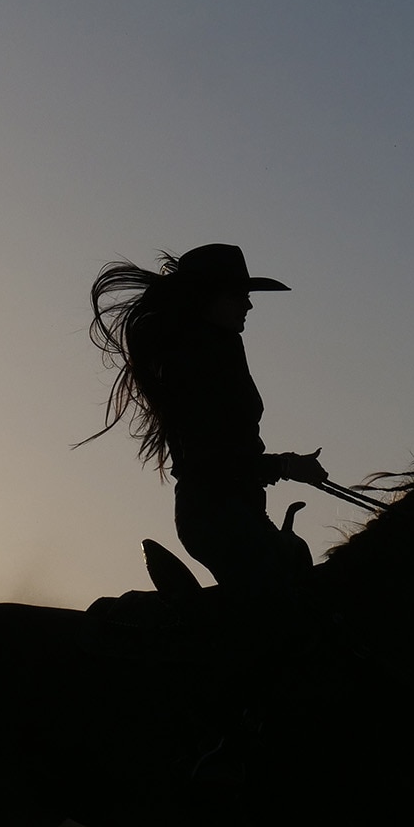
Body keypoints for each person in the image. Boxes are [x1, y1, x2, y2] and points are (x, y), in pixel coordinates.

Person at [83, 242, 326, 592]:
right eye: (237, 294)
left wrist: (282, 467)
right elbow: (210, 460)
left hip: (235, 512)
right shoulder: (195, 358)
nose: (249, 303)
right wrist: (286, 467)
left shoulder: (218, 347)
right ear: (207, 298)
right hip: (218, 518)